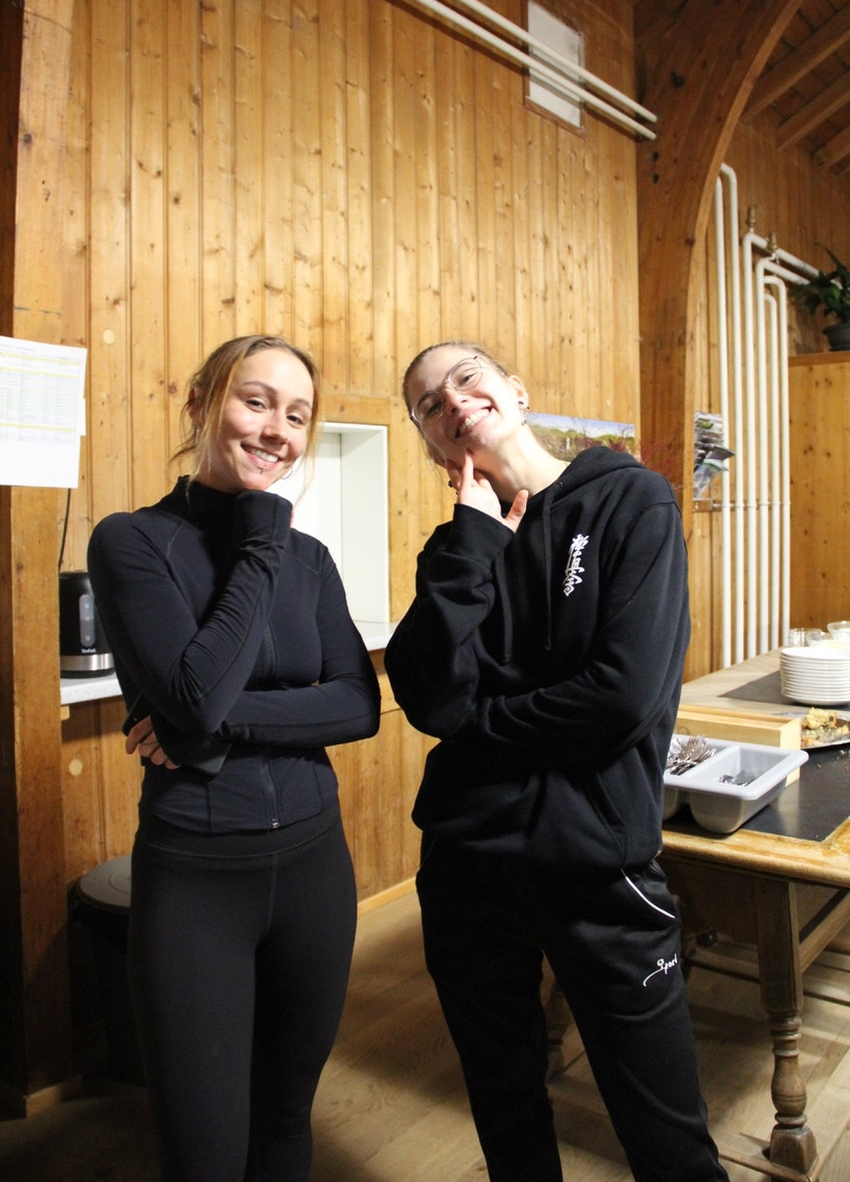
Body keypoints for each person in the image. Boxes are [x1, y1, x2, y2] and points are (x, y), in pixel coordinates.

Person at [384, 341, 729, 1182]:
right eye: (429, 403)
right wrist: (472, 543)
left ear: (516, 391)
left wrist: (476, 724)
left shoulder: (629, 499)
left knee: (667, 1135)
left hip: (597, 864)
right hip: (467, 865)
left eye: (466, 378)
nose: (452, 401)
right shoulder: (452, 550)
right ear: (431, 443)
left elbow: (620, 697)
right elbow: (426, 696)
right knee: (505, 1108)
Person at [88, 335, 381, 1182]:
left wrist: (208, 726)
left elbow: (357, 705)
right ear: (200, 403)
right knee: (204, 1153)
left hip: (316, 872)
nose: (277, 429)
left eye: (297, 414)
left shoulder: (310, 559)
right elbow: (195, 693)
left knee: (286, 1119)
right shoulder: (133, 542)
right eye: (256, 401)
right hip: (197, 883)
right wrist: (258, 542)